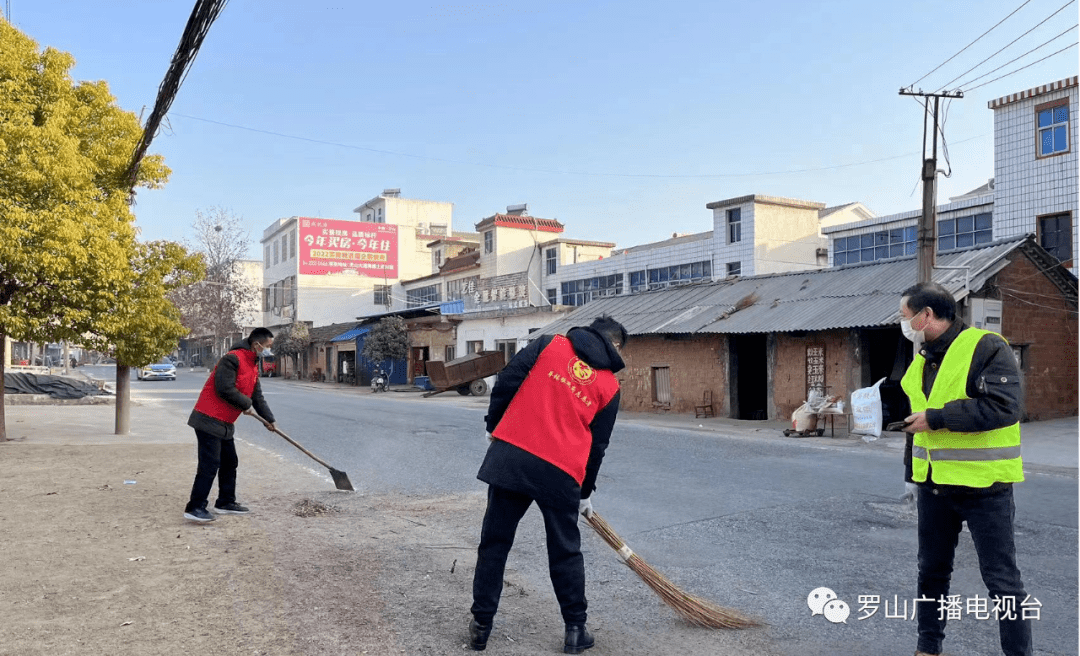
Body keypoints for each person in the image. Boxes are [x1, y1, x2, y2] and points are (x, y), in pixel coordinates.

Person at [468, 316, 627, 654]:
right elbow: (598, 446)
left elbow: (507, 381)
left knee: (494, 543)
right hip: (562, 472)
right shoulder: (609, 387)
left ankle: (481, 626)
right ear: (614, 346)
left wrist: (493, 426)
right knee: (565, 550)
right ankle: (575, 631)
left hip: (513, 457)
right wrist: (584, 492)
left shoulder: (547, 345)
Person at [898, 282, 1031, 656]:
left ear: (927, 315)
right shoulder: (923, 357)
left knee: (1003, 582)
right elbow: (924, 417)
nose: (903, 323)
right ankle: (927, 648)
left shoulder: (986, 347)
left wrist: (936, 418)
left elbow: (1005, 407)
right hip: (935, 486)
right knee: (931, 573)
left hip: (985, 488)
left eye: (906, 317)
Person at [183, 328, 278, 523]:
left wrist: (269, 419)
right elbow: (224, 388)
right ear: (256, 344)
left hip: (225, 422)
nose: (268, 351)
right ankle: (195, 507)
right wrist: (244, 404)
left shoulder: (253, 364)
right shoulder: (232, 359)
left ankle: (225, 502)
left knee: (230, 462)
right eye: (267, 346)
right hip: (208, 418)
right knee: (210, 464)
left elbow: (256, 395)